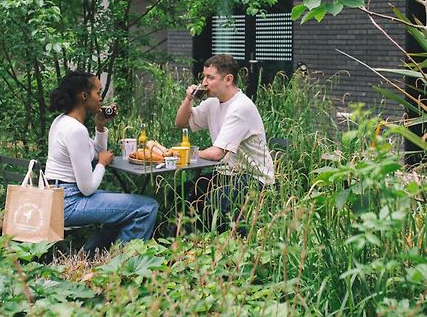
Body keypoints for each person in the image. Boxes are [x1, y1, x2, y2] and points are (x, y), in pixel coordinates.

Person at [45, 70, 158, 257]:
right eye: (98, 92)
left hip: (59, 196)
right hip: (68, 203)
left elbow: (97, 152)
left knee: (124, 213)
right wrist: (102, 165)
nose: (101, 98)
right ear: (83, 96)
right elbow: (87, 188)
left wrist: (100, 125)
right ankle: (123, 266)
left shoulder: (63, 122)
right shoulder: (75, 130)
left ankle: (88, 260)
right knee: (146, 207)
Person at [175, 54, 274, 230]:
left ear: (228, 79)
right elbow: (181, 123)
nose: (204, 82)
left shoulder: (240, 107)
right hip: (226, 173)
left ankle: (226, 245)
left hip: (253, 177)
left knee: (215, 202)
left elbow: (217, 153)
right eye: (203, 77)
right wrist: (189, 99)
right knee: (181, 194)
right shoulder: (213, 102)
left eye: (210, 77)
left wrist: (181, 153)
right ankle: (180, 245)